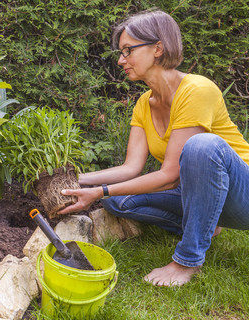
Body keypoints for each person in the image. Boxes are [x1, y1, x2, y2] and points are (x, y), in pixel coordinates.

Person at [58, 9, 249, 287]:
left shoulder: (197, 90)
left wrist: (98, 192)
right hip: (199, 194)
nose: (122, 60)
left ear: (158, 48)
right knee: (116, 201)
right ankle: (205, 225)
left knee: (201, 146)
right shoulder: (144, 103)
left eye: (128, 50)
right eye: (121, 52)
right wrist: (74, 180)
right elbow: (130, 168)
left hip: (242, 196)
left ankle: (187, 260)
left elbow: (170, 175)